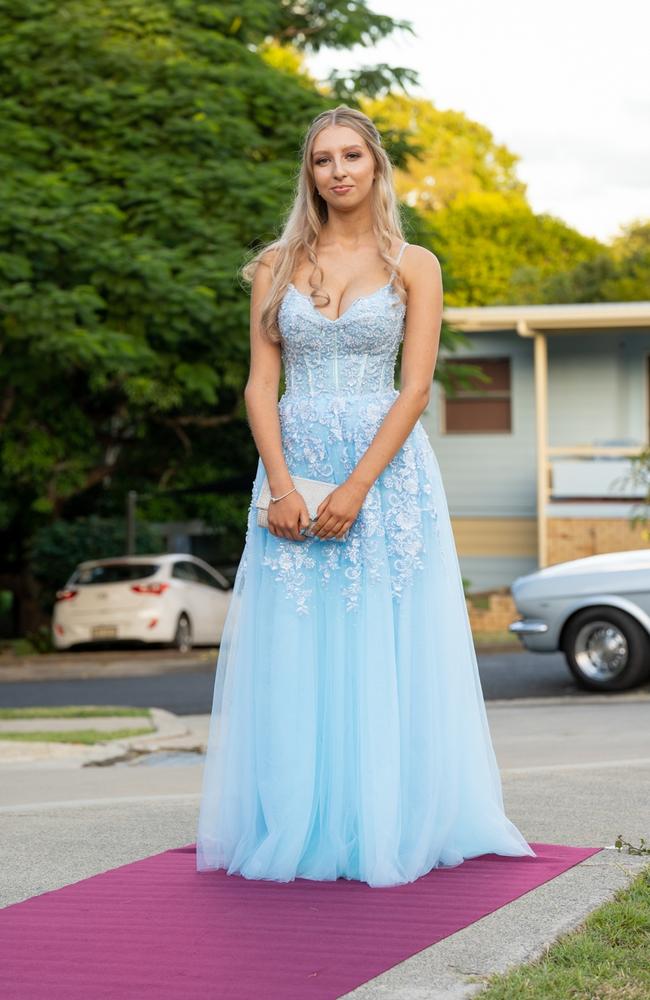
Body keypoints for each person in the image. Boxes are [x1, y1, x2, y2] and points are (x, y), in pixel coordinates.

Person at [195, 104, 536, 888]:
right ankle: (303, 822)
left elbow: (415, 389)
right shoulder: (276, 265)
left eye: (353, 155)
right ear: (309, 174)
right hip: (292, 464)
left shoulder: (415, 263)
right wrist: (280, 485)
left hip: (385, 473)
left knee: (388, 643)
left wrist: (355, 487)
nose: (339, 170)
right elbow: (259, 383)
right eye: (323, 159)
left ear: (376, 167)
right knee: (298, 643)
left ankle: (388, 820)